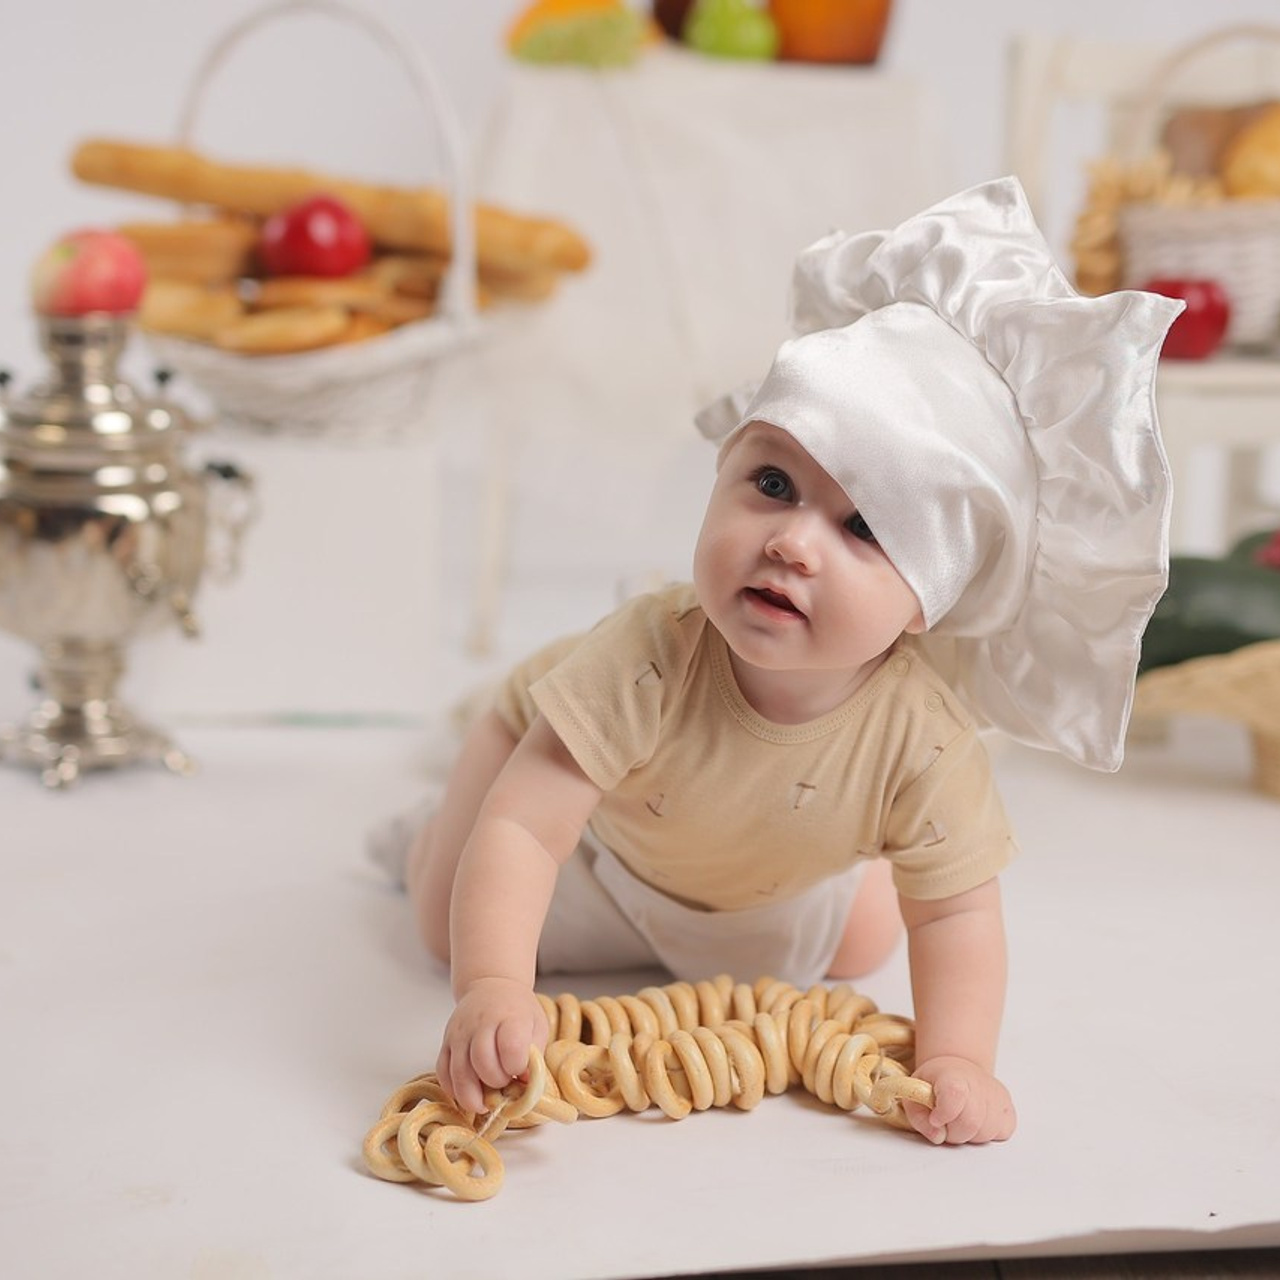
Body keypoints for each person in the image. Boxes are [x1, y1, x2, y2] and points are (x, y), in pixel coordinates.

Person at [389, 177, 1180, 1146]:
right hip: (602, 839)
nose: (793, 543)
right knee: (447, 918)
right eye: (771, 482)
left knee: (869, 935)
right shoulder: (648, 655)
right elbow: (524, 829)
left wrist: (954, 1058)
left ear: (932, 598)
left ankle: (826, 853)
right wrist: (494, 987)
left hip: (751, 872)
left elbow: (957, 916)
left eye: (863, 526)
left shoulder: (919, 732)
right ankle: (441, 805)